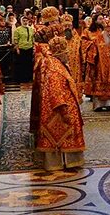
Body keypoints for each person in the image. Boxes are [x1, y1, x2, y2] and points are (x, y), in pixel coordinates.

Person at [35, 37, 86, 171]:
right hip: (58, 109)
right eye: (66, 53)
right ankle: (62, 162)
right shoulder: (55, 69)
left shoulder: (56, 64)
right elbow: (56, 92)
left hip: (62, 105)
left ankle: (67, 161)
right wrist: (64, 111)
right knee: (64, 132)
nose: (68, 55)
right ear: (61, 53)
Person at [85, 20, 110, 111]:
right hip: (100, 69)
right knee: (100, 85)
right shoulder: (97, 40)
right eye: (107, 31)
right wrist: (92, 65)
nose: (109, 33)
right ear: (104, 30)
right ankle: (99, 105)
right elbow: (91, 54)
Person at [13, 11, 35, 84]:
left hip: (29, 48)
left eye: (26, 21)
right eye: (24, 21)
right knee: (21, 64)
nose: (25, 22)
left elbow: (32, 39)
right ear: (21, 21)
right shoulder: (18, 29)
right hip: (21, 48)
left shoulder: (31, 29)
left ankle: (28, 78)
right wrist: (17, 48)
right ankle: (21, 78)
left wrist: (33, 48)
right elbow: (16, 40)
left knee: (29, 64)